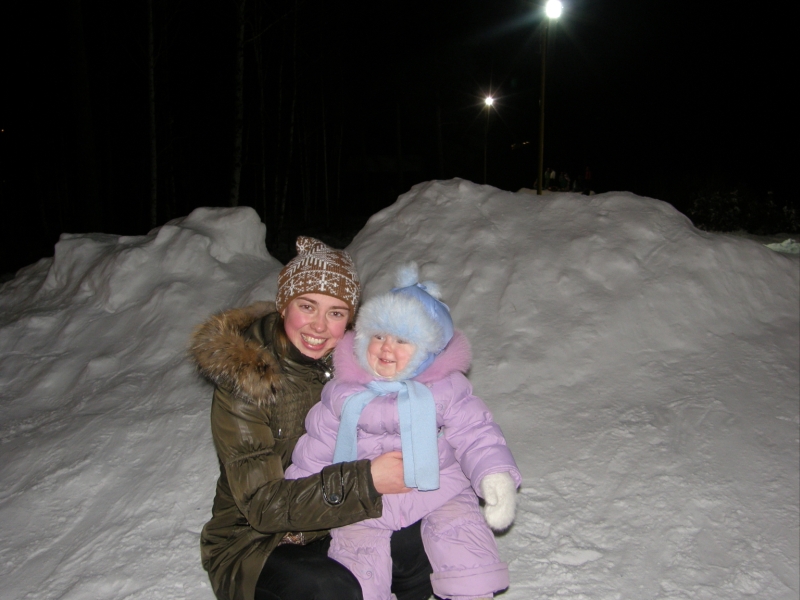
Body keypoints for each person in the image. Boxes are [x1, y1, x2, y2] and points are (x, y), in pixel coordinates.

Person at [190, 237, 434, 600]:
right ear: (284, 305)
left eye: (335, 313)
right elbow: (261, 506)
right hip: (256, 541)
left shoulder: (358, 363)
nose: (320, 326)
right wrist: (366, 480)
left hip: (336, 519)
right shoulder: (247, 379)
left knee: (422, 537)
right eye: (307, 306)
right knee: (330, 589)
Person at [286, 263, 521, 600]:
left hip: (440, 490)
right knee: (357, 564)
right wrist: (295, 505)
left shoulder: (445, 389)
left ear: (428, 352)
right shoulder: (342, 393)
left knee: (461, 536)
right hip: (364, 502)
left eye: (402, 340)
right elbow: (316, 449)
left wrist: (494, 476)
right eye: (379, 336)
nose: (386, 347)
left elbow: (476, 433)